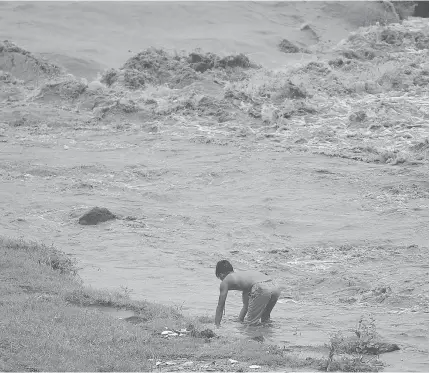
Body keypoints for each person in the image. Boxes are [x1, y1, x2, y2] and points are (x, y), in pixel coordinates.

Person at [214, 260, 281, 327]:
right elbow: (246, 305)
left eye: (220, 278)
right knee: (265, 319)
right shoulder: (244, 278)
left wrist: (217, 325)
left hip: (261, 287)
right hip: (275, 287)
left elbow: (220, 305)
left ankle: (255, 336)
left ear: (221, 275)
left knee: (252, 324)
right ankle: (269, 335)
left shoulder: (226, 281)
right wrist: (240, 320)